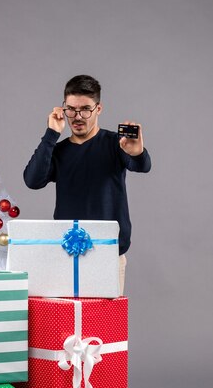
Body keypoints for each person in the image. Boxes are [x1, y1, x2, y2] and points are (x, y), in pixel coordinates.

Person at [23, 74, 151, 294]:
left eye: (85, 109)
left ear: (98, 109)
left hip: (108, 253)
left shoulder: (115, 143)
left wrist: (137, 152)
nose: (77, 116)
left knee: (105, 327)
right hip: (66, 252)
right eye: (71, 109)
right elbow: (32, 180)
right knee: (66, 325)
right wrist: (51, 133)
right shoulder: (59, 150)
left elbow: (141, 164)